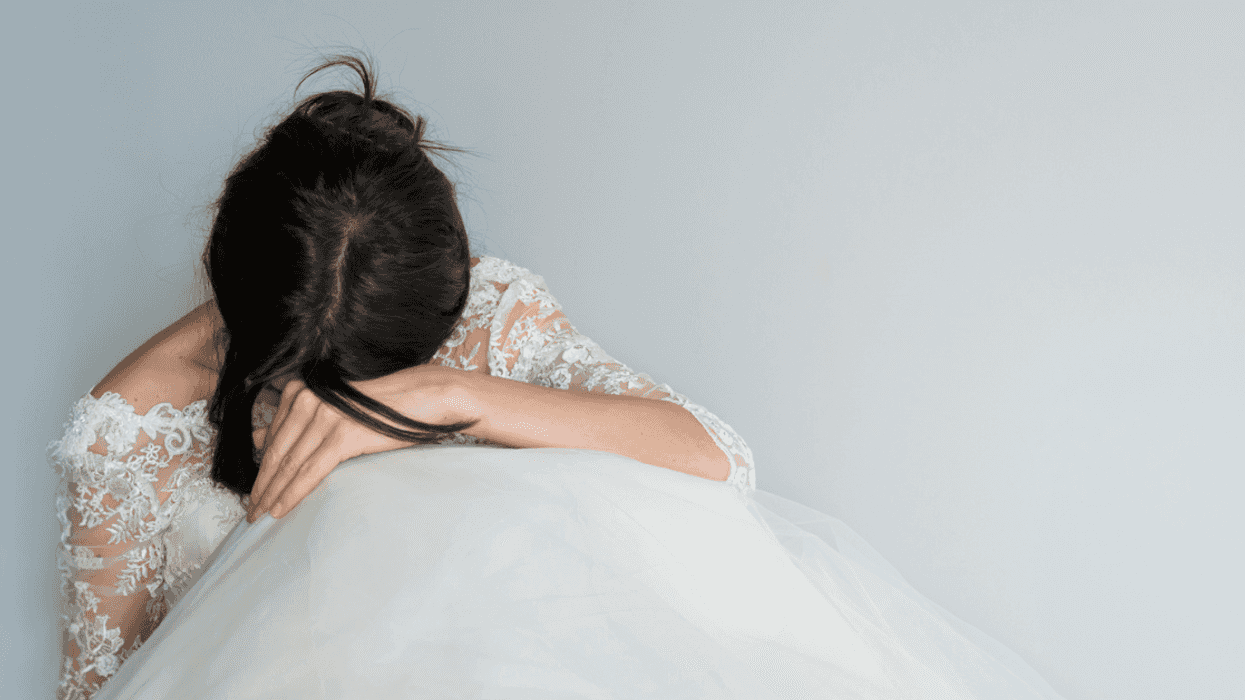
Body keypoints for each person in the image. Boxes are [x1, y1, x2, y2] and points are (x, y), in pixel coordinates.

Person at [49, 55, 1065, 699]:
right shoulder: (129, 423)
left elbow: (716, 460)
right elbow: (107, 685)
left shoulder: (488, 319)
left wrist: (451, 397)